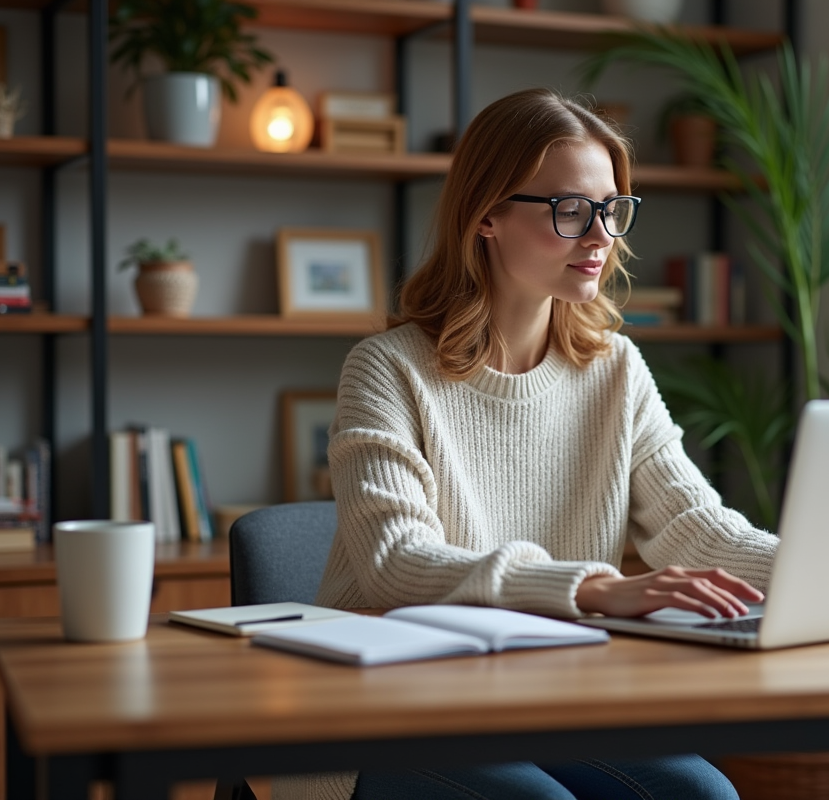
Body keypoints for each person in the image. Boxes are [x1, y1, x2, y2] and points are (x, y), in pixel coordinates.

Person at [274, 87, 779, 800]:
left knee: (704, 795)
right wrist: (596, 588)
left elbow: (693, 526)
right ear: (485, 215)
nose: (601, 235)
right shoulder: (386, 368)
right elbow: (397, 563)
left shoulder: (615, 369)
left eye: (612, 209)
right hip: (386, 714)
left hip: (544, 704)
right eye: (570, 211)